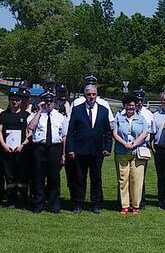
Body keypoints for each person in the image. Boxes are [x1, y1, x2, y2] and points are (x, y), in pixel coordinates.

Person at [65, 84, 113, 214]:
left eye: (93, 94)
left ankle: (96, 204)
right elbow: (70, 131)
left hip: (97, 151)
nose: (91, 97)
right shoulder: (77, 109)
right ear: (85, 95)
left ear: (96, 95)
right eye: (89, 94)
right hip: (80, 150)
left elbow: (108, 131)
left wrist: (107, 147)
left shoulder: (104, 110)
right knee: (79, 178)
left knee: (96, 178)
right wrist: (70, 149)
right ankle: (78, 204)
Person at [29, 92, 67, 213]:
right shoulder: (36, 115)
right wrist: (40, 111)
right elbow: (30, 127)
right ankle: (38, 204)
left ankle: (53, 204)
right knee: (38, 177)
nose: (48, 104)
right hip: (39, 148)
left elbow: (64, 136)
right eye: (46, 102)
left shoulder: (60, 117)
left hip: (55, 149)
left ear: (54, 102)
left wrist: (63, 154)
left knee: (54, 177)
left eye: (50, 102)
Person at [113, 94, 150, 215]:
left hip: (137, 152)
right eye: (129, 105)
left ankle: (136, 205)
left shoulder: (141, 119)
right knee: (123, 178)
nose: (131, 107)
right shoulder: (118, 117)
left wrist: (134, 144)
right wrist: (124, 143)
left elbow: (145, 133)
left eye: (133, 105)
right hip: (121, 151)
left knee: (137, 179)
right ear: (125, 106)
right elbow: (115, 133)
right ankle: (125, 205)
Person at [0, 88, 32, 208]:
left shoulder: (26, 115)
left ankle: (23, 200)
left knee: (22, 176)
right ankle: (11, 200)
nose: (15, 102)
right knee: (9, 176)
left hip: (21, 151)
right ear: (9, 101)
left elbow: (30, 133)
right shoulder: (3, 115)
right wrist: (4, 145)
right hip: (7, 150)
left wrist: (23, 145)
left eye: (17, 100)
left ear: (21, 101)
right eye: (12, 100)